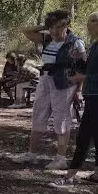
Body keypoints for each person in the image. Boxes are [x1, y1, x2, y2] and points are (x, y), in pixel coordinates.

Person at [13, 10, 86, 169]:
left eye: (58, 27)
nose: (54, 31)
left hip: (64, 83)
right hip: (45, 79)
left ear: (67, 25)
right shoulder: (46, 38)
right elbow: (26, 31)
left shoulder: (76, 43)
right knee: (38, 114)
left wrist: (79, 90)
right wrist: (44, 26)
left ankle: (60, 159)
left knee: (61, 119)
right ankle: (31, 154)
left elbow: (83, 69)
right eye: (51, 27)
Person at [49, 12, 98, 188]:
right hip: (91, 95)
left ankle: (69, 177)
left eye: (92, 21)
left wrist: (81, 77)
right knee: (95, 135)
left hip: (96, 96)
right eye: (88, 20)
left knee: (84, 136)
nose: (88, 24)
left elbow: (91, 73)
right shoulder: (93, 46)